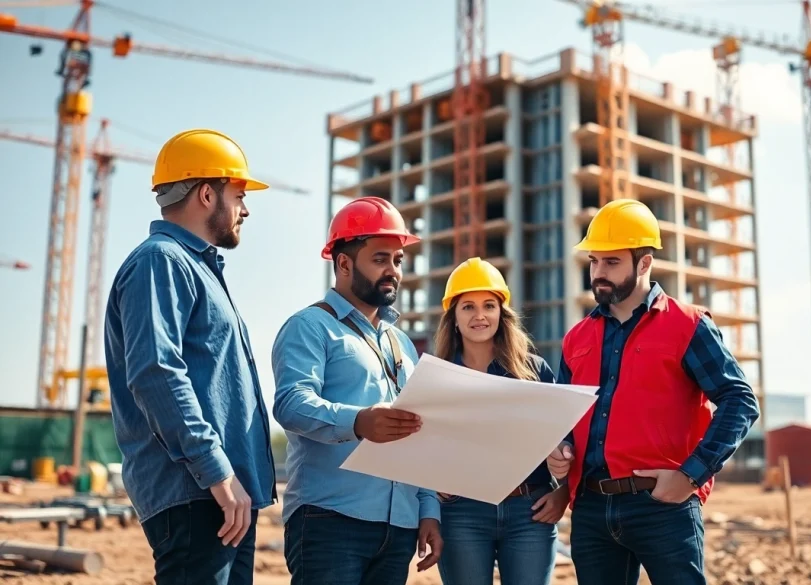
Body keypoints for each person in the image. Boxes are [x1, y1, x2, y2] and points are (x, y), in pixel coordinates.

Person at [545, 199, 761, 585]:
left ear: (644, 263)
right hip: (591, 510)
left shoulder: (688, 325)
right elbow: (564, 417)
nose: (598, 273)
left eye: (612, 262)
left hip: (662, 508)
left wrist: (690, 476)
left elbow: (740, 401)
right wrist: (561, 450)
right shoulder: (577, 337)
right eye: (594, 261)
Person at [104, 128, 277, 585]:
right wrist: (216, 472)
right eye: (239, 195)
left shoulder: (195, 267)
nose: (245, 209)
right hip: (199, 491)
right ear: (206, 194)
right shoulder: (160, 260)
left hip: (223, 495)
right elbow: (156, 372)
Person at [271, 196, 442, 585]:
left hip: (399, 527)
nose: (393, 270)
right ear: (344, 263)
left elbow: (420, 432)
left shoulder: (401, 343)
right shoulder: (310, 326)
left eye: (398, 260)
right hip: (330, 520)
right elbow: (291, 404)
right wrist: (359, 422)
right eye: (380, 258)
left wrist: (428, 508)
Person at [431, 257, 569, 585]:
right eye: (468, 307)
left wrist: (563, 492)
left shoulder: (533, 371)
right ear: (454, 317)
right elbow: (421, 446)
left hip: (529, 511)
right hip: (461, 512)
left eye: (489, 306)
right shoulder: (435, 377)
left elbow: (567, 438)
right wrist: (431, 485)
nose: (479, 315)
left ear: (501, 313)